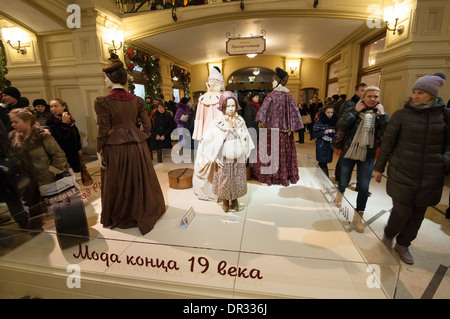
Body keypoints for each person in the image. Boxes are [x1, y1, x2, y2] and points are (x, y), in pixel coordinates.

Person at [373, 73, 448, 264]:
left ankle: (404, 244)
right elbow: (388, 143)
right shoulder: (402, 115)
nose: (415, 96)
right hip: (402, 171)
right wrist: (379, 168)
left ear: (432, 94)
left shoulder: (445, 116)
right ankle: (389, 235)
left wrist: (443, 161)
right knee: (401, 211)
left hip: (431, 175)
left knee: (417, 215)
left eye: (421, 92)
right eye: (414, 92)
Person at [94, 53, 165, 235]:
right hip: (137, 145)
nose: (104, 80)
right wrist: (142, 135)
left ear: (111, 77)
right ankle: (139, 209)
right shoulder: (137, 100)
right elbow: (147, 124)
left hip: (115, 146)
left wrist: (99, 150)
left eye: (105, 77)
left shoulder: (103, 102)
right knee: (138, 178)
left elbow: (103, 129)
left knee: (118, 181)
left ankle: (122, 214)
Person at [335, 86, 389, 233]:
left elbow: (387, 134)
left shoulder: (381, 114)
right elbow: (341, 125)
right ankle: (339, 195)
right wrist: (355, 111)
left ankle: (358, 218)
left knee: (364, 187)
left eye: (375, 97)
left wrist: (383, 115)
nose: (372, 99)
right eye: (369, 96)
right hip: (349, 151)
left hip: (368, 155)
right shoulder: (354, 109)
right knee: (344, 180)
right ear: (363, 97)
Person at [8, 108, 67, 225]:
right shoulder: (13, 138)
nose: (12, 124)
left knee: (56, 208)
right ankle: (38, 228)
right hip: (27, 180)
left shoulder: (42, 136)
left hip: (45, 178)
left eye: (16, 122)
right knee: (34, 208)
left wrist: (53, 171)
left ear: (27, 122)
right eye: (12, 122)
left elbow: (58, 155)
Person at [201, 91, 254, 212]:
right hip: (224, 156)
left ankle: (234, 199)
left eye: (233, 105)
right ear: (223, 106)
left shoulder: (240, 120)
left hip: (238, 154)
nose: (231, 108)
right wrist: (216, 157)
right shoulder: (217, 121)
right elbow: (211, 139)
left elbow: (245, 136)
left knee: (237, 177)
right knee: (224, 178)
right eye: (228, 106)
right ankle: (225, 200)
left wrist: (245, 153)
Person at [252, 67, 303, 186]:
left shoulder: (271, 96)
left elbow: (262, 112)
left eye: (274, 80)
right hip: (286, 133)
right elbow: (296, 114)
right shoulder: (289, 96)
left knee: (271, 152)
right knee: (284, 153)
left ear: (278, 81)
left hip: (271, 132)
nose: (272, 82)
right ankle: (285, 175)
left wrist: (261, 121)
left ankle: (271, 176)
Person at [192, 67, 224, 200]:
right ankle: (217, 190)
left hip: (205, 137)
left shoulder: (201, 99)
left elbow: (198, 121)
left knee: (204, 160)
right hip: (218, 137)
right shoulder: (221, 98)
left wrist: (199, 135)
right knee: (218, 162)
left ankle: (203, 189)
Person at [334, 83, 368, 182]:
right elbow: (342, 120)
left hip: (362, 137)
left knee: (361, 159)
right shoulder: (349, 103)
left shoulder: (369, 104)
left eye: (365, 91)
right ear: (356, 92)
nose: (364, 93)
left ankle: (359, 184)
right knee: (344, 157)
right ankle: (338, 176)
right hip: (349, 135)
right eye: (362, 90)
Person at [46, 98, 83, 173]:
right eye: (51, 106)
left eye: (56, 106)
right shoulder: (51, 121)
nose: (53, 109)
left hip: (72, 150)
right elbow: (60, 137)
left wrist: (78, 148)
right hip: (61, 151)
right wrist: (64, 123)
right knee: (65, 174)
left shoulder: (69, 118)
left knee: (74, 172)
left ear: (63, 107)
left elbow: (75, 133)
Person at [313, 105, 337, 177]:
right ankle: (325, 180)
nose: (330, 114)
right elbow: (314, 134)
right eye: (328, 112)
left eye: (332, 112)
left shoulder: (334, 122)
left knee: (323, 162)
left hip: (330, 145)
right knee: (323, 162)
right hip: (321, 145)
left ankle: (318, 176)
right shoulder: (319, 122)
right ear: (324, 113)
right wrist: (324, 132)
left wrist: (335, 132)